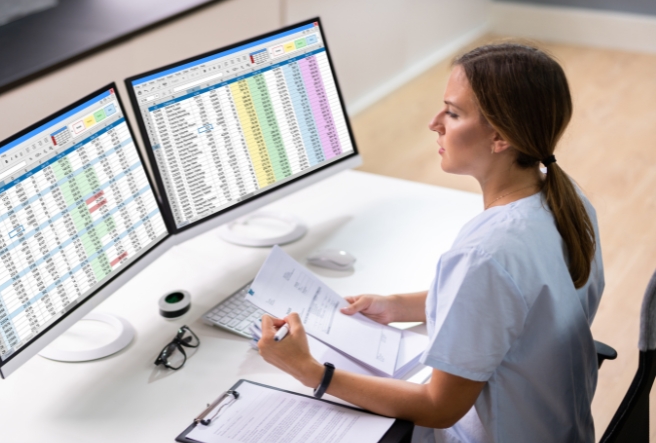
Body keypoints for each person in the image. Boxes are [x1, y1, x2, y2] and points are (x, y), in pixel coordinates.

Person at [256, 43, 605, 442]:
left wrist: (310, 372)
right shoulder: (568, 201)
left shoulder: (486, 253)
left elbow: (440, 407)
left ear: (500, 138)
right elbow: (512, 303)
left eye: (453, 113)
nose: (434, 122)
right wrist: (397, 305)